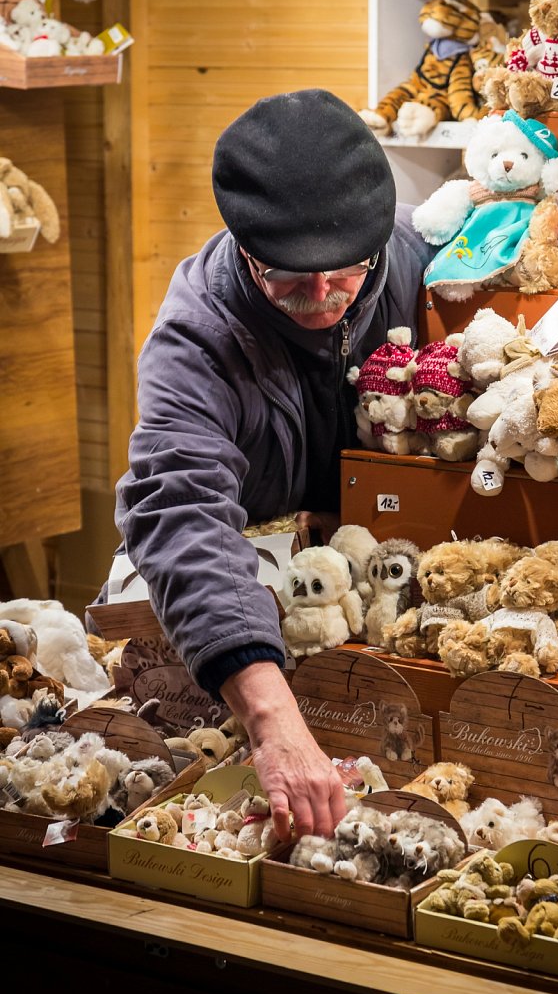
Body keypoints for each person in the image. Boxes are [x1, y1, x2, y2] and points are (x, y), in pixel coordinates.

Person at [113, 88, 433, 843]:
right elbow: (179, 508)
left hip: (383, 588)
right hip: (250, 594)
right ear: (244, 245)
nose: (321, 298)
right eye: (286, 275)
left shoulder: (416, 253)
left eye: (346, 272)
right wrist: (269, 719)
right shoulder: (196, 334)